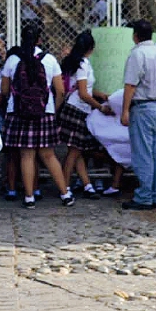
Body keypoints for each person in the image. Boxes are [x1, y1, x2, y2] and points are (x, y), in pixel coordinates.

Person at [0, 24, 74, 209]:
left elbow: (5, 90)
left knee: (26, 155)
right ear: (40, 39)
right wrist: (52, 110)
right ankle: (65, 194)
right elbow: (61, 91)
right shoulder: (50, 60)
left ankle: (29, 197)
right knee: (48, 155)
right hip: (44, 112)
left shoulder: (12, 60)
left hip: (18, 112)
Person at [118, 20, 156, 210]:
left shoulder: (137, 54)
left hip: (143, 107)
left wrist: (125, 110)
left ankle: (144, 196)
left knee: (143, 154)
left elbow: (131, 84)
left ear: (135, 36)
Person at [58, 30, 106, 199]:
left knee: (76, 151)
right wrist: (100, 107)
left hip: (78, 109)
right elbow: (84, 94)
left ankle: (87, 185)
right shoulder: (83, 64)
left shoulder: (79, 62)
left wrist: (99, 94)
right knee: (74, 152)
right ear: (91, 48)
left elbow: (85, 89)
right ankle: (64, 187)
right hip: (77, 110)